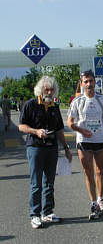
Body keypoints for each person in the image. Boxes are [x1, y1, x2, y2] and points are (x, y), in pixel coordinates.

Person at [18, 76, 72, 229]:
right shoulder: (30, 104)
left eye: (52, 89)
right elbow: (21, 126)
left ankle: (47, 212)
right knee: (36, 183)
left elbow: (60, 129)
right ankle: (35, 215)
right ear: (40, 90)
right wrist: (36, 131)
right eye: (46, 89)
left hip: (51, 148)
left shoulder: (54, 106)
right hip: (35, 147)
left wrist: (66, 148)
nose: (49, 92)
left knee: (49, 182)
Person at [67, 70, 103, 220]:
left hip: (101, 139)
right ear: (81, 84)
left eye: (91, 81)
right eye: (86, 81)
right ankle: (93, 202)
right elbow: (69, 123)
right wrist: (80, 129)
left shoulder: (102, 99)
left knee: (100, 171)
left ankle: (100, 199)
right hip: (84, 141)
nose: (89, 84)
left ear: (95, 82)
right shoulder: (77, 101)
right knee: (88, 172)